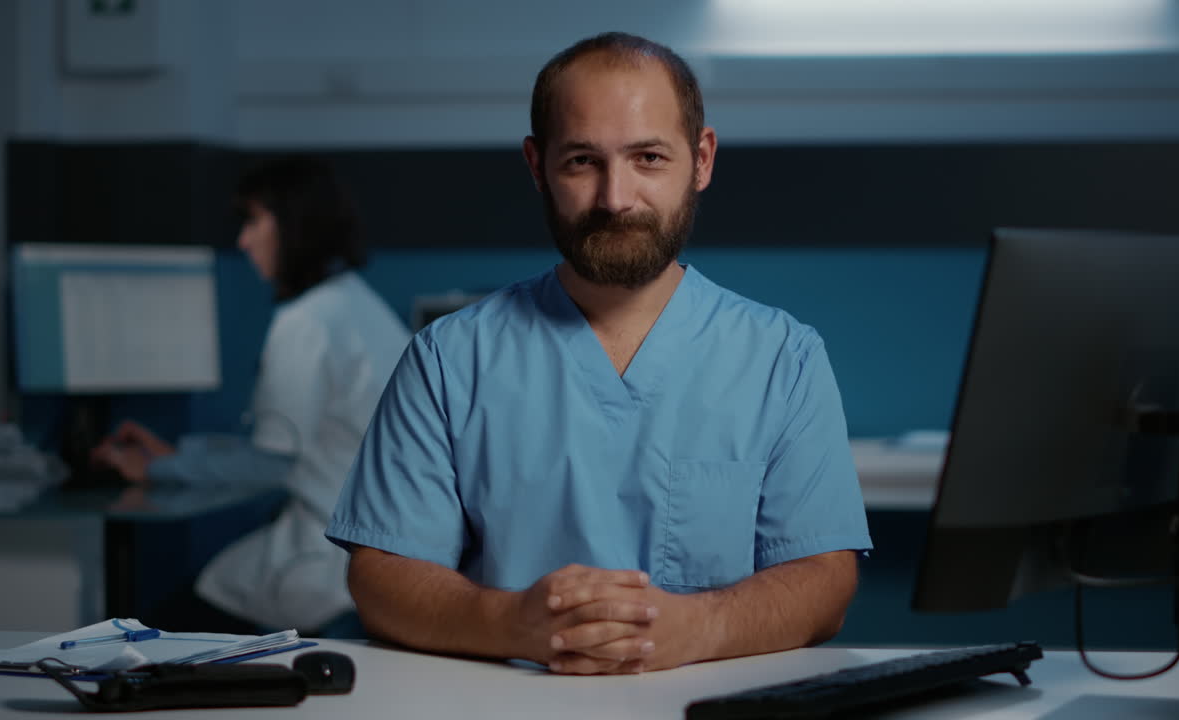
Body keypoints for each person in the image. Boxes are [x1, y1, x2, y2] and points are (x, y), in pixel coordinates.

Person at [326, 32, 872, 673]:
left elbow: (823, 580)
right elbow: (382, 576)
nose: (616, 198)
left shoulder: (784, 358)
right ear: (537, 166)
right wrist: (511, 624)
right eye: (583, 161)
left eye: (648, 158)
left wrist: (693, 629)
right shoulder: (449, 360)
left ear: (701, 159)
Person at [92, 155, 412, 636]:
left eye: (253, 221)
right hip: (379, 556)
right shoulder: (360, 305)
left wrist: (155, 469)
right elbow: (293, 446)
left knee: (156, 636)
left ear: (293, 224)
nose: (243, 241)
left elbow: (271, 463)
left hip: (323, 564)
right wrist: (180, 456)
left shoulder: (305, 322)